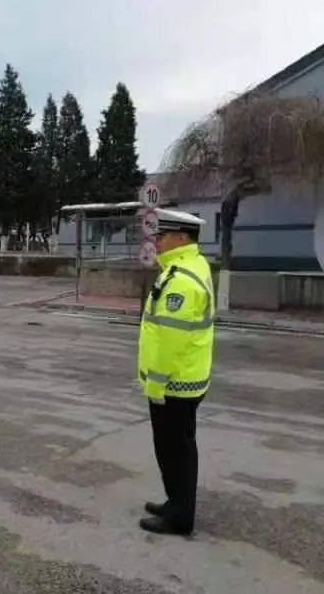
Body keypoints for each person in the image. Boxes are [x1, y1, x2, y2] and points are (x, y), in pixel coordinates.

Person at [138, 209, 214, 535]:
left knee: (173, 449)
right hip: (187, 378)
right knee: (178, 446)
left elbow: (171, 340)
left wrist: (156, 384)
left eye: (163, 235)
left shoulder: (180, 280)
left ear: (181, 238)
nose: (157, 241)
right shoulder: (192, 265)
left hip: (174, 383)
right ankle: (176, 503)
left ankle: (180, 516)